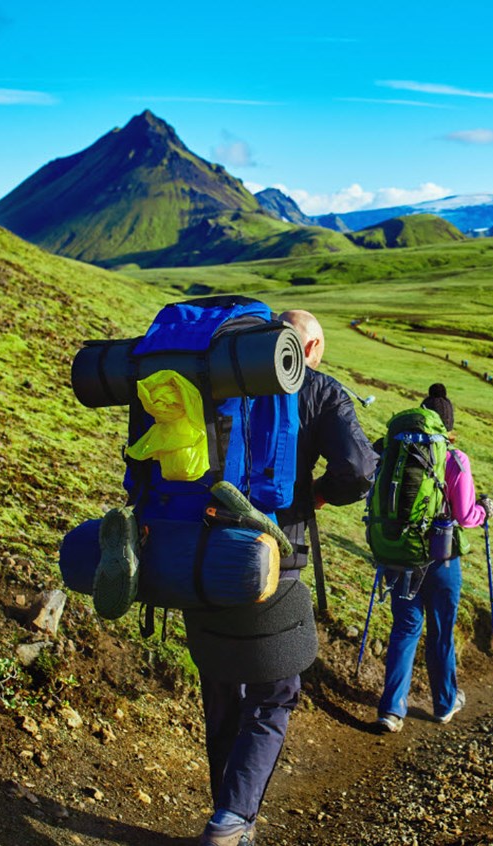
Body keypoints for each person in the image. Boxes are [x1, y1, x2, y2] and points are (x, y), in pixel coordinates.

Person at [185, 308, 377, 846]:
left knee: (221, 684)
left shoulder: (217, 374)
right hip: (274, 558)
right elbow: (359, 469)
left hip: (201, 552)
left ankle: (227, 811)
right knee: (275, 691)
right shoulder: (319, 389)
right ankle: (231, 820)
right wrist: (317, 494)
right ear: (309, 349)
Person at [376, 383, 493, 734]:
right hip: (441, 560)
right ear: (448, 426)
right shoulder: (454, 459)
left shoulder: (396, 451)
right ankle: (444, 703)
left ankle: (391, 710)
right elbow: (466, 516)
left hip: (399, 553)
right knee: (441, 632)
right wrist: (484, 511)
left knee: (405, 628)